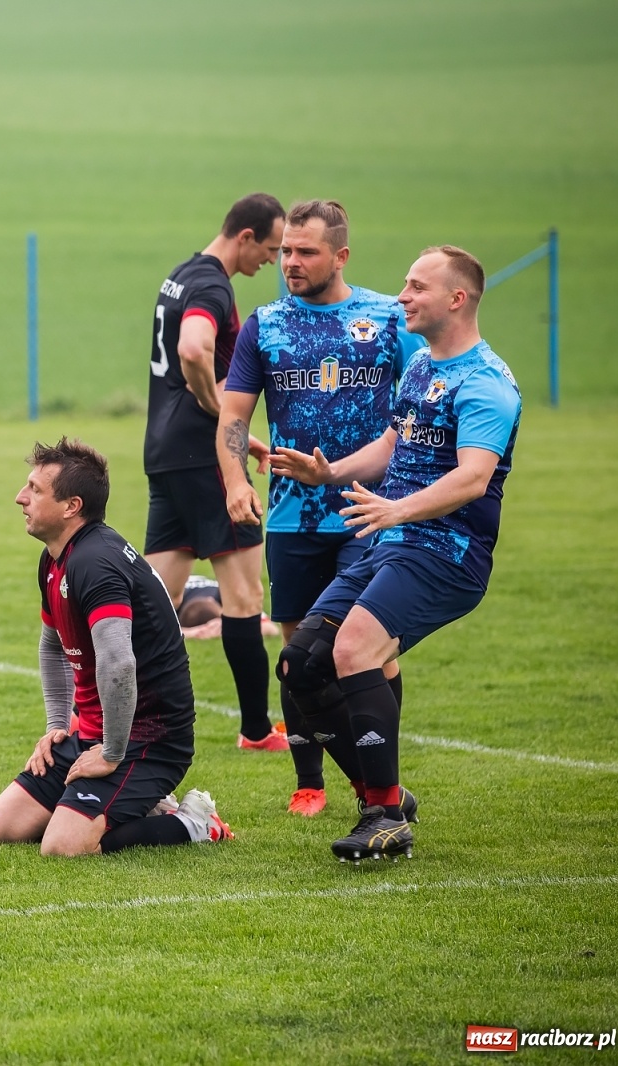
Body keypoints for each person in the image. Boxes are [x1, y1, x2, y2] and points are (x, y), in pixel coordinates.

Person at [271, 245, 520, 862]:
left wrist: (398, 510)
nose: (402, 296)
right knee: (301, 663)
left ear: (456, 299)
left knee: (354, 649)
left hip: (445, 550)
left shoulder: (486, 382)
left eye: (416, 287)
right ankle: (383, 795)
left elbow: (473, 479)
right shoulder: (420, 368)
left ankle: (383, 817)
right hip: (389, 541)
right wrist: (330, 474)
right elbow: (390, 444)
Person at [218, 200, 423, 816]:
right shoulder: (266, 324)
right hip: (291, 518)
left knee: (369, 651)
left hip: (371, 513)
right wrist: (234, 480)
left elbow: (415, 416)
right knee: (297, 654)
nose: (290, 262)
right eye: (284, 251)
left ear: (341, 256)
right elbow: (233, 417)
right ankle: (311, 781)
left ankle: (379, 780)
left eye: (306, 252)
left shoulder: (388, 319)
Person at [0, 438, 232, 855]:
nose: (20, 498)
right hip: (92, 733)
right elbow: (52, 646)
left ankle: (192, 823)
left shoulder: (95, 562)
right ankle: (140, 804)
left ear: (71, 506)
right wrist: (58, 726)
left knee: (62, 847)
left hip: (148, 741)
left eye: (35, 490)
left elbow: (118, 663)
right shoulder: (56, 558)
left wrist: (112, 753)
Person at [143, 193, 288, 752]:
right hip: (206, 460)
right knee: (245, 598)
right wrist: (221, 411)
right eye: (271, 249)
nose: (272, 263)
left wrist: (238, 430)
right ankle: (256, 731)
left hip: (164, 453)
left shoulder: (181, 274)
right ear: (245, 236)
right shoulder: (212, 286)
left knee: (153, 604)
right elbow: (195, 351)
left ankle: (126, 725)